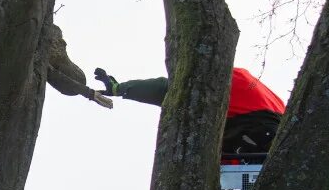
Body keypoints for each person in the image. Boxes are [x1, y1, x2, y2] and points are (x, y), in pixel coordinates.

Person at [93, 66, 286, 155]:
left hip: (255, 134)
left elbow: (165, 89)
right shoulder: (245, 78)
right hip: (274, 135)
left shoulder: (220, 80)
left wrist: (120, 88)